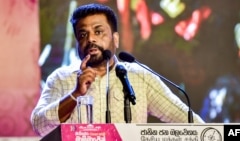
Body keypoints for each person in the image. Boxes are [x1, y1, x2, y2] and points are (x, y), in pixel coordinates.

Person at [30, 3, 205, 137]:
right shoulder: (61, 78)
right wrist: (75, 95)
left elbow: (187, 121)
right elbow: (39, 125)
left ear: (116, 39)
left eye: (98, 32)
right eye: (82, 35)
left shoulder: (139, 76)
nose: (90, 38)